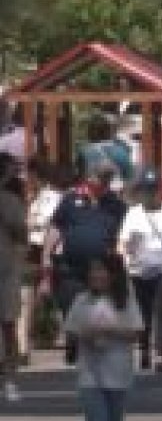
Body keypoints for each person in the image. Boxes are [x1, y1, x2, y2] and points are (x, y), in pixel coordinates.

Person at [64, 254, 143, 421]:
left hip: (118, 374)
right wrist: (86, 334)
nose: (96, 275)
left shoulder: (125, 301)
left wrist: (112, 331)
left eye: (101, 270)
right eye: (92, 271)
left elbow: (136, 332)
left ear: (113, 274)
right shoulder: (82, 300)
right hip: (90, 376)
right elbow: (71, 331)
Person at [39, 162, 127, 364]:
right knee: (70, 306)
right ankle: (73, 338)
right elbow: (55, 229)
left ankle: (91, 345)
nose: (103, 180)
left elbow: (125, 233)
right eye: (100, 176)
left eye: (107, 177)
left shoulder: (116, 204)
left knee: (98, 309)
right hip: (71, 267)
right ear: (90, 177)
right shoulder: (70, 200)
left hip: (102, 268)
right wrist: (46, 256)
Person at [118, 169, 162, 373]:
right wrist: (124, 257)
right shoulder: (133, 214)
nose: (151, 194)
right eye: (146, 190)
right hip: (139, 270)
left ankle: (160, 355)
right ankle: (144, 350)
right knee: (143, 313)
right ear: (140, 192)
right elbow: (123, 243)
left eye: (154, 189)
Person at [19, 158, 63, 365]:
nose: (28, 179)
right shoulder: (34, 197)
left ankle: (33, 337)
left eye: (30, 175)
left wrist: (30, 224)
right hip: (32, 249)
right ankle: (25, 343)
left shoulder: (52, 197)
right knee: (28, 297)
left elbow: (49, 224)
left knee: (40, 296)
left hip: (44, 249)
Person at [0, 153, 27, 402]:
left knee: (8, 326)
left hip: (7, 271)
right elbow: (22, 232)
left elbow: (21, 232)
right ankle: (9, 380)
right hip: (7, 270)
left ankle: (9, 380)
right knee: (8, 328)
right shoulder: (9, 200)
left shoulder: (11, 201)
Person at [77, 114, 135, 187]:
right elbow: (129, 178)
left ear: (90, 132)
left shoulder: (84, 152)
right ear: (109, 132)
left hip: (92, 194)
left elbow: (81, 178)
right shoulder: (122, 152)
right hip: (115, 195)